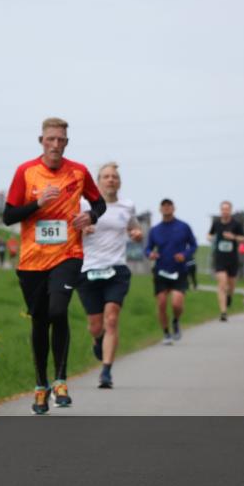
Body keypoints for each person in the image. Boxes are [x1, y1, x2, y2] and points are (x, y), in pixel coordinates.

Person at [3, 117, 105, 414]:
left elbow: (99, 204)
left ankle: (61, 381)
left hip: (68, 254)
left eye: (61, 140)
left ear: (67, 143)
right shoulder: (26, 172)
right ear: (42, 141)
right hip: (32, 260)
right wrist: (38, 204)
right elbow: (9, 216)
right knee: (39, 320)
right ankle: (40, 385)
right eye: (51, 139)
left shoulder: (79, 172)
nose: (56, 145)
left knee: (58, 311)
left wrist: (91, 217)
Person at [78, 162, 143, 389]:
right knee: (95, 326)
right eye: (106, 176)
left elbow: (133, 228)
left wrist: (136, 234)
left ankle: (106, 371)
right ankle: (98, 340)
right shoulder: (84, 203)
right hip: (89, 269)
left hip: (116, 268)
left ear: (119, 182)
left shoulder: (127, 206)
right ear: (98, 181)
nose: (110, 180)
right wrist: (81, 228)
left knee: (112, 319)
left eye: (114, 177)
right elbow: (69, 227)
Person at [145, 199, 197, 345]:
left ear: (174, 208)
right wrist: (150, 254)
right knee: (161, 303)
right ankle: (166, 333)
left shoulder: (183, 227)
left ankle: (176, 320)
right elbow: (147, 248)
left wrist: (185, 255)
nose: (167, 208)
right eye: (164, 206)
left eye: (169, 206)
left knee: (176, 304)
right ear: (160, 209)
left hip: (179, 270)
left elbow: (193, 245)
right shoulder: (155, 230)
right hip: (161, 271)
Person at [207, 200, 244, 321]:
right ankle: (223, 312)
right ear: (220, 210)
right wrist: (211, 238)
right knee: (222, 284)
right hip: (219, 259)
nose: (225, 211)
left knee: (231, 285)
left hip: (232, 259)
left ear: (230, 210)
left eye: (227, 209)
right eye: (223, 209)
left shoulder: (236, 224)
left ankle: (230, 296)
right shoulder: (216, 223)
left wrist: (233, 237)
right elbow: (209, 234)